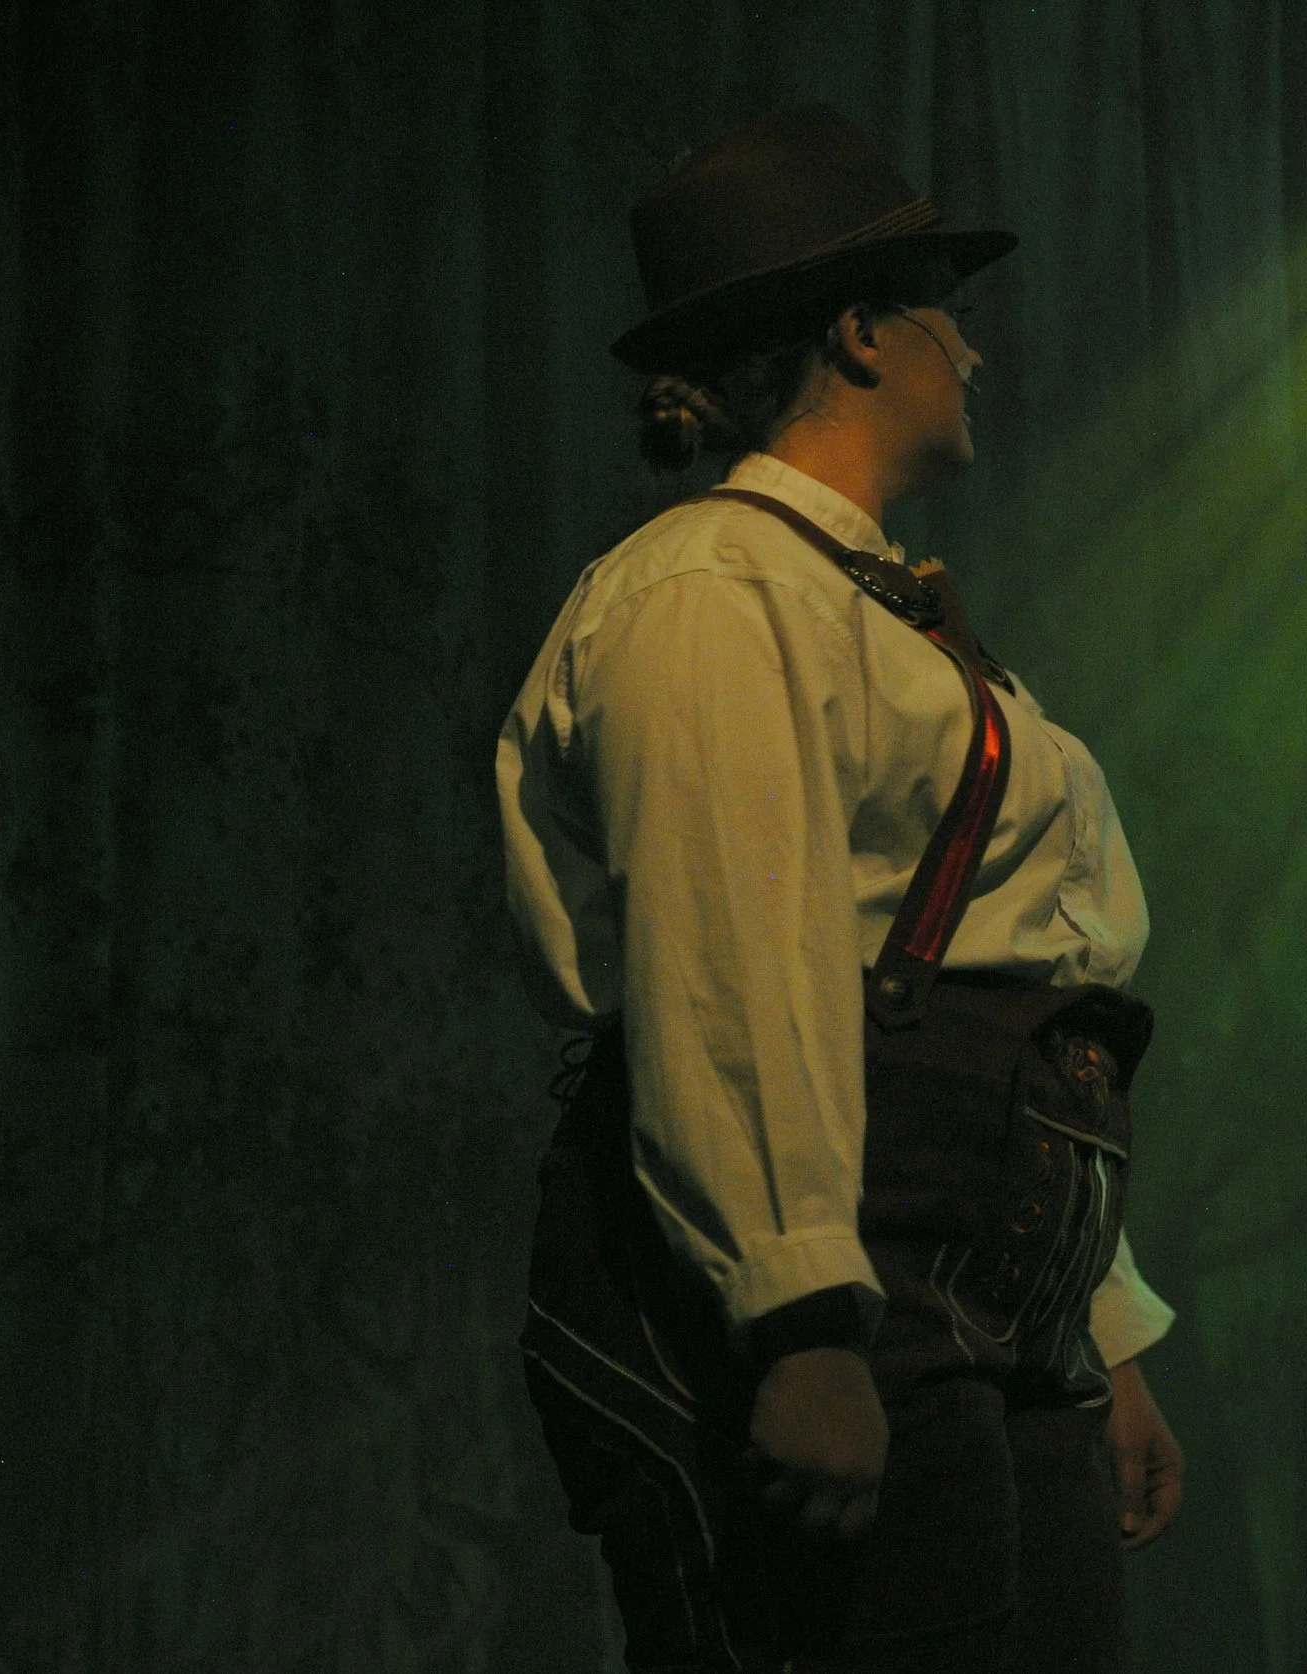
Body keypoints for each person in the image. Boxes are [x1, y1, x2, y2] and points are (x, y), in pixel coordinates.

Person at [498, 105, 1182, 1673]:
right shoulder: (711, 591)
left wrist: (1103, 1324)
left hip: (983, 1286)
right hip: (855, 1255)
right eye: (952, 316)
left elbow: (1030, 979)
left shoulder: (872, 606)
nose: (979, 355)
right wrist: (800, 1315)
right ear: (863, 332)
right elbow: (733, 966)